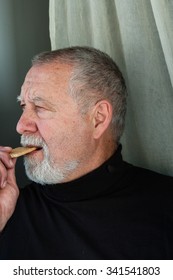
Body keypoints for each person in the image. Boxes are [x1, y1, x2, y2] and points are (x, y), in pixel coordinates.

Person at [0, 46, 173, 260]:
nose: (21, 125)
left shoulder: (165, 207)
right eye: (23, 106)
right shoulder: (8, 211)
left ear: (98, 118)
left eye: (40, 107)